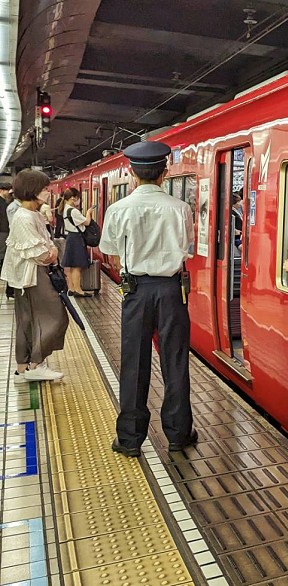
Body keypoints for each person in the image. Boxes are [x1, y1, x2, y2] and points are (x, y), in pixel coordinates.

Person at [99, 141, 195, 458]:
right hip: (172, 291)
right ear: (165, 174)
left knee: (134, 363)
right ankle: (179, 433)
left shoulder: (118, 209)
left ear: (131, 172)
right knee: (176, 361)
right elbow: (187, 250)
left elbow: (110, 253)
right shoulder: (181, 208)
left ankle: (129, 438)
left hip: (136, 291)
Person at [0, 170, 68, 382]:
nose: (48, 192)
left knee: (28, 320)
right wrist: (53, 252)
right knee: (55, 316)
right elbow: (42, 253)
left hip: (31, 276)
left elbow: (45, 247)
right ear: (33, 191)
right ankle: (35, 364)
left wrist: (51, 250)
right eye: (44, 189)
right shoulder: (23, 217)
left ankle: (23, 369)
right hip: (32, 276)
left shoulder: (33, 215)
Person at [61, 187, 97, 297]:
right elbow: (86, 222)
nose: (78, 200)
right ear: (73, 198)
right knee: (77, 266)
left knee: (72, 266)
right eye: (77, 198)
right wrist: (89, 212)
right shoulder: (73, 211)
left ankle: (71, 288)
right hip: (76, 238)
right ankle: (78, 290)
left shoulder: (65, 209)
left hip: (71, 237)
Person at [0, 182, 12, 267]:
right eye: (7, 190)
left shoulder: (5, 202)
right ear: (1, 190)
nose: (9, 192)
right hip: (2, 230)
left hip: (5, 229)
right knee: (2, 252)